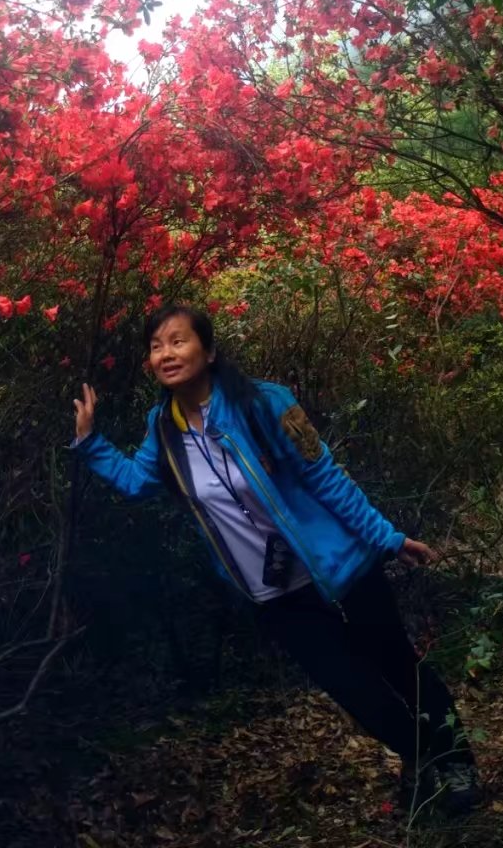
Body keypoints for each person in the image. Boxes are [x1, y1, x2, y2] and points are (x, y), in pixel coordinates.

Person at [70, 305, 478, 818]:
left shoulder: (263, 403)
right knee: (353, 689)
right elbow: (137, 482)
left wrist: (388, 538)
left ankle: (456, 761)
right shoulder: (164, 429)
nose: (166, 353)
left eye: (178, 341)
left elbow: (325, 476)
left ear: (208, 351)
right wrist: (90, 443)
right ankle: (423, 755)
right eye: (156, 346)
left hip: (341, 567)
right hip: (275, 595)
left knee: (397, 664)